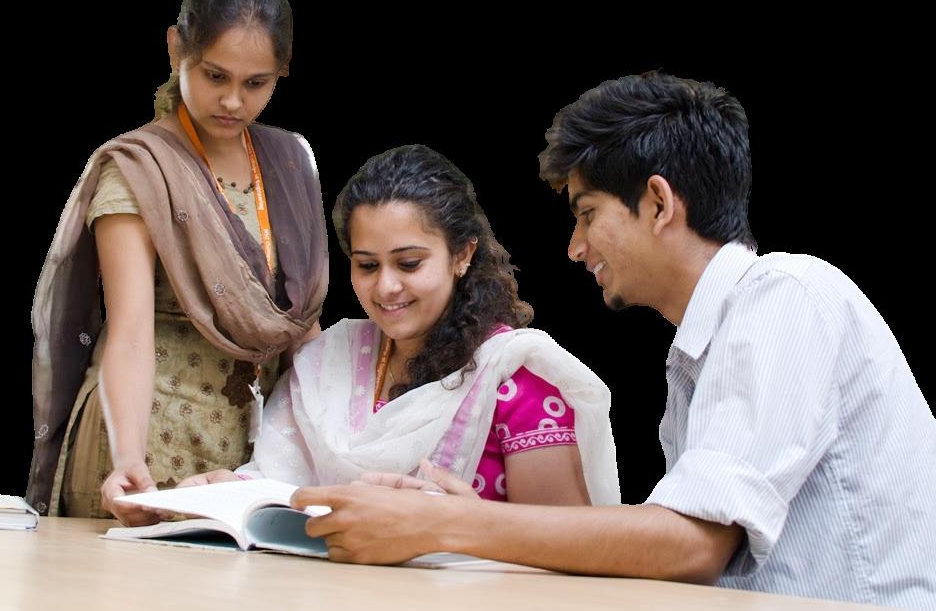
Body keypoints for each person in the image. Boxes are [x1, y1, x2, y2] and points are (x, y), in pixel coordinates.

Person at [290, 73, 936, 610]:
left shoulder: (786, 295)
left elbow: (692, 546)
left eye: (587, 213)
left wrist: (445, 525)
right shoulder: (704, 347)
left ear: (658, 203)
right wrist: (463, 520)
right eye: (366, 265)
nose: (575, 247)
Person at [27, 0, 328, 525]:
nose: (233, 100)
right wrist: (128, 458)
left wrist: (333, 446)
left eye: (256, 83)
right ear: (175, 49)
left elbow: (301, 328)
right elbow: (130, 332)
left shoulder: (290, 163)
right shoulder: (139, 168)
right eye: (215, 76)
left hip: (248, 452)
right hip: (144, 433)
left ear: (281, 72)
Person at [180, 144, 620, 507]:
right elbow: (282, 484)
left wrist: (468, 522)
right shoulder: (327, 363)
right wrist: (233, 491)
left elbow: (565, 548)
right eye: (367, 265)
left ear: (462, 255)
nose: (386, 287)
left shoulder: (518, 381)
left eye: (409, 263)